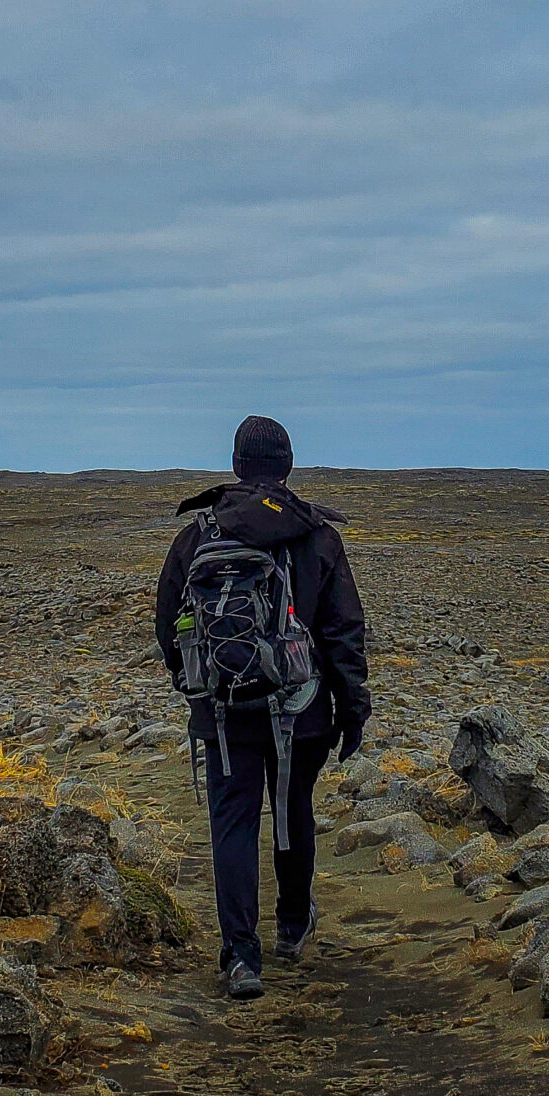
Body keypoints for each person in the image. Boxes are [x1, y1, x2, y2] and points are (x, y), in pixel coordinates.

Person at [154, 415, 371, 999]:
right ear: (288, 466)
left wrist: (194, 686)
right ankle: (293, 927)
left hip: (223, 711)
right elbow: (343, 632)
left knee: (233, 823)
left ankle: (241, 958)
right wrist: (353, 707)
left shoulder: (197, 535)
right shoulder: (316, 535)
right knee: (293, 809)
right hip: (303, 707)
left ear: (236, 465)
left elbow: (169, 625)